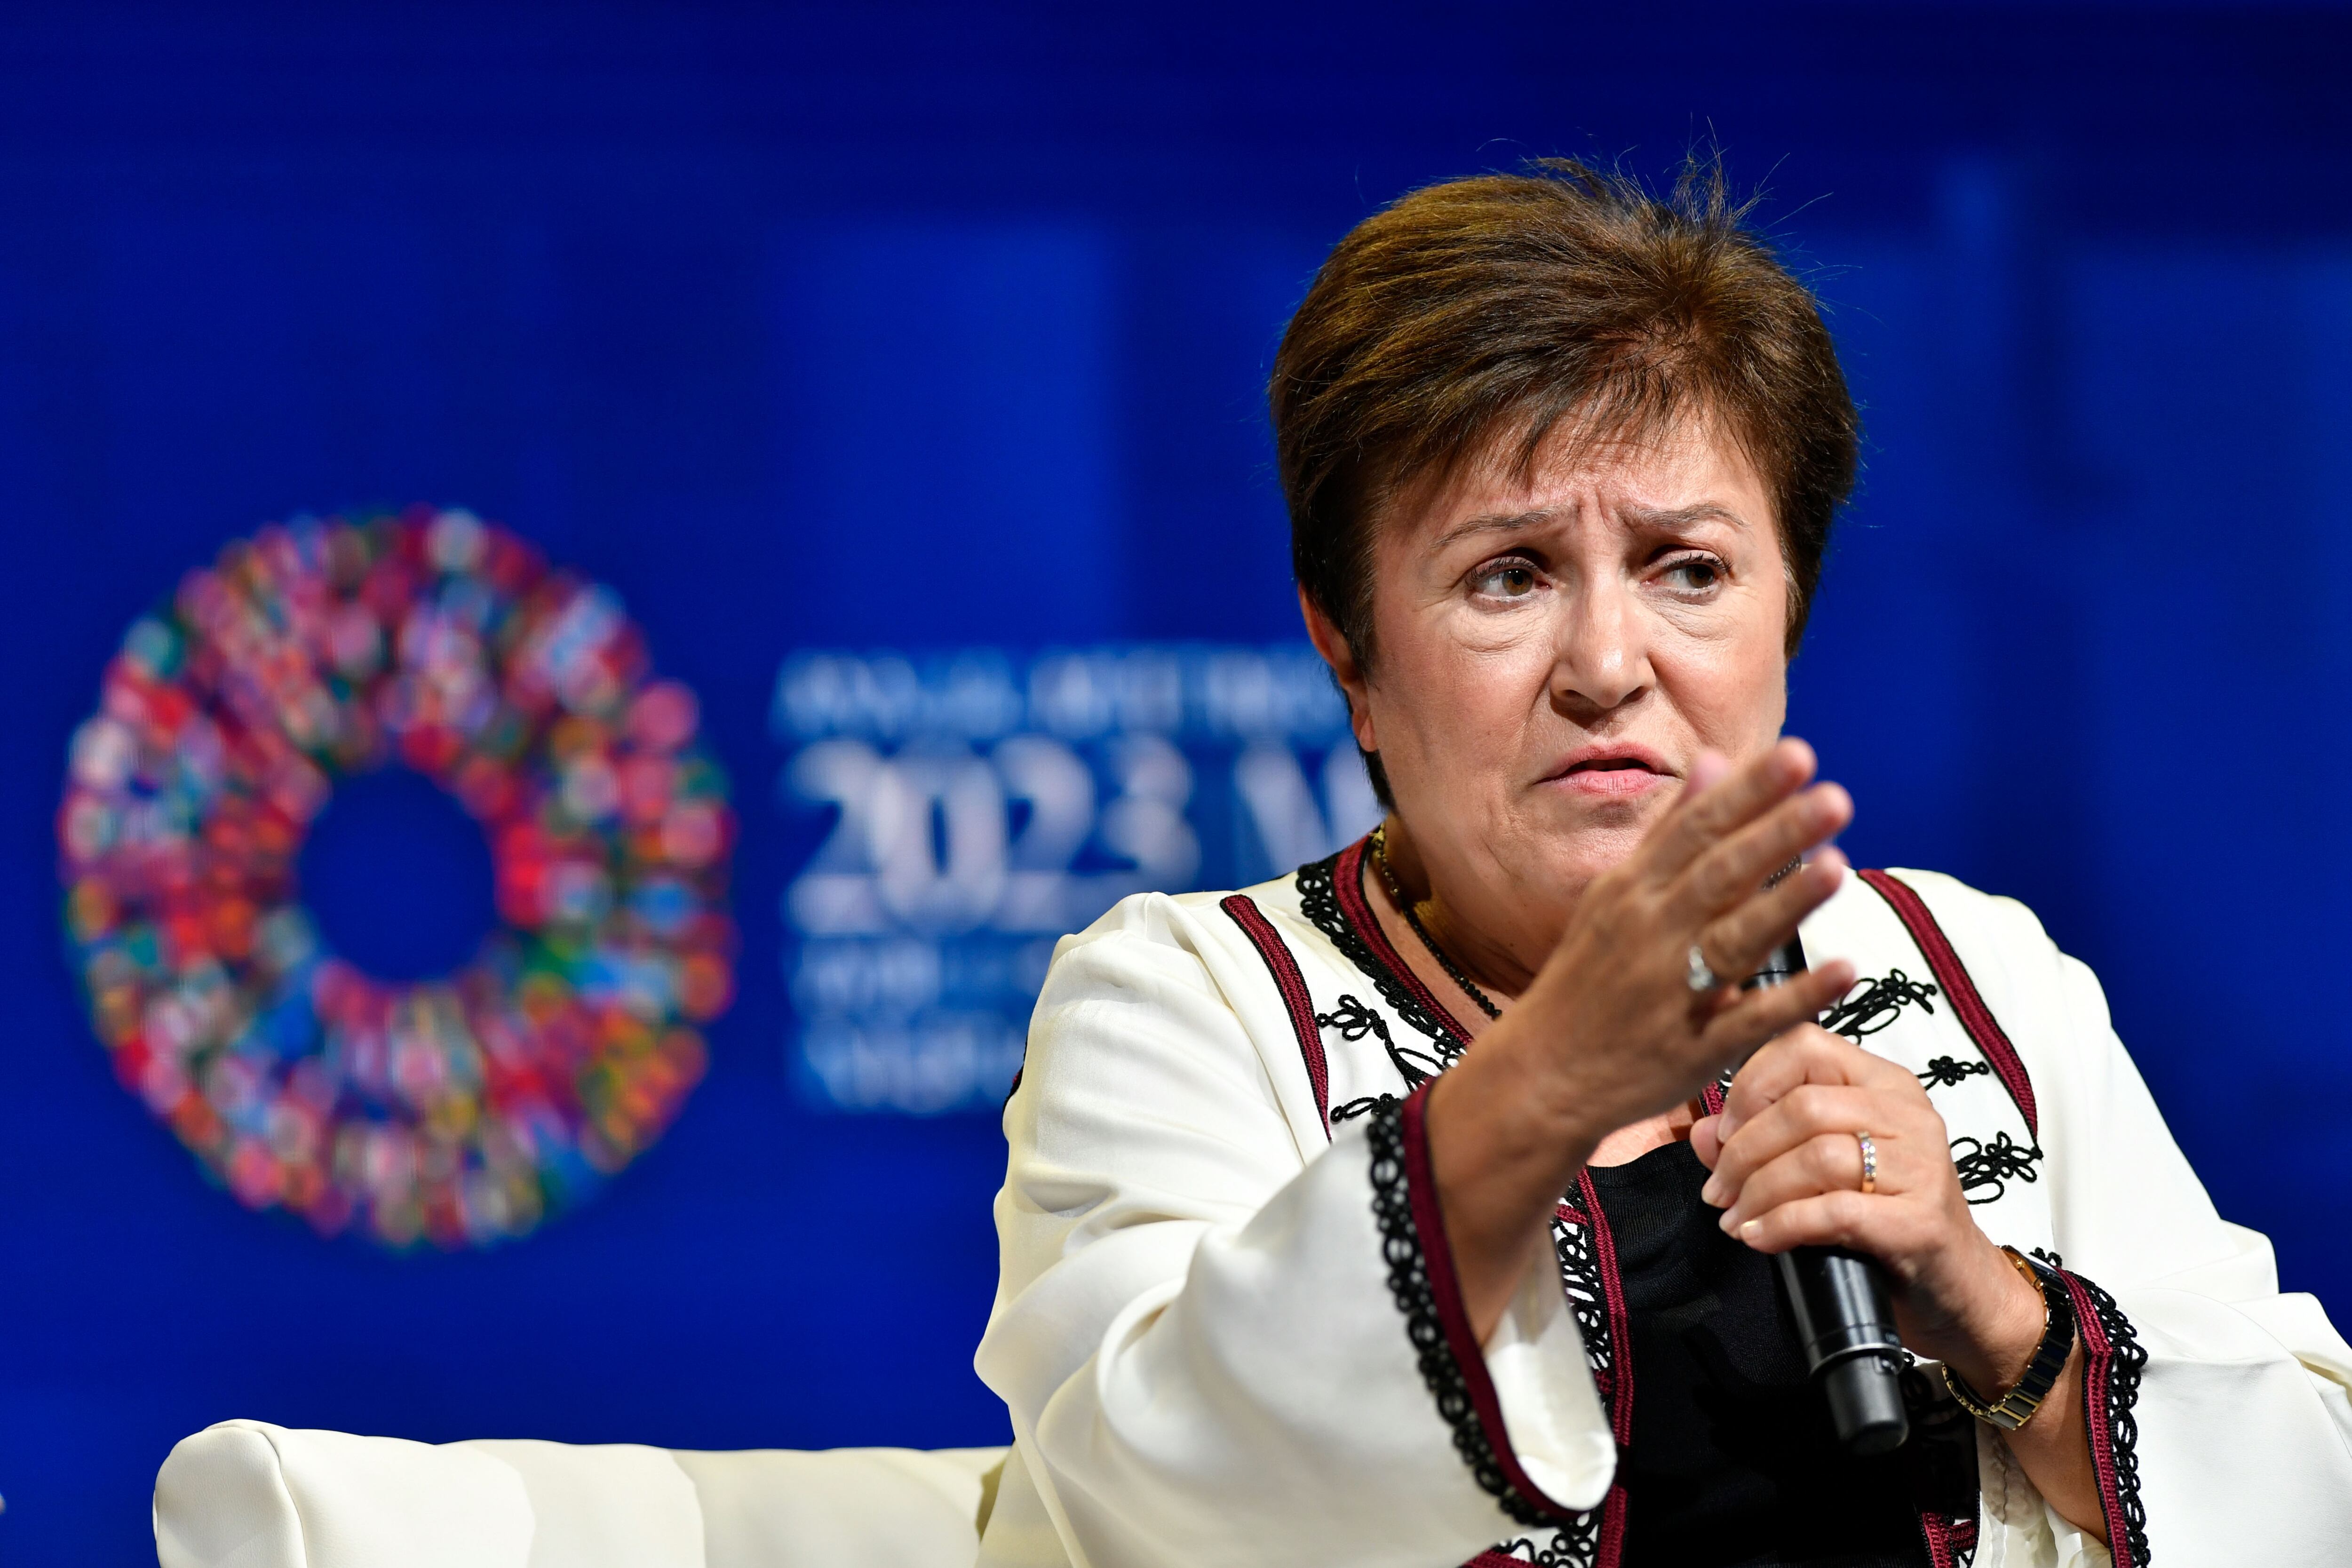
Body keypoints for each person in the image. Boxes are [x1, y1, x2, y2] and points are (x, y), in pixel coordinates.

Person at [972, 159, 2352, 1568]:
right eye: (1508, 573)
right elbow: (1138, 1502)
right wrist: (1540, 1088)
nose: (1610, 667)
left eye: (1687, 568)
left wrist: (1997, 1311)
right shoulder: (1182, 1003)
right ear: (1348, 643)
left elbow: (2318, 1497)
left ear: (1790, 616)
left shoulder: (1973, 971)